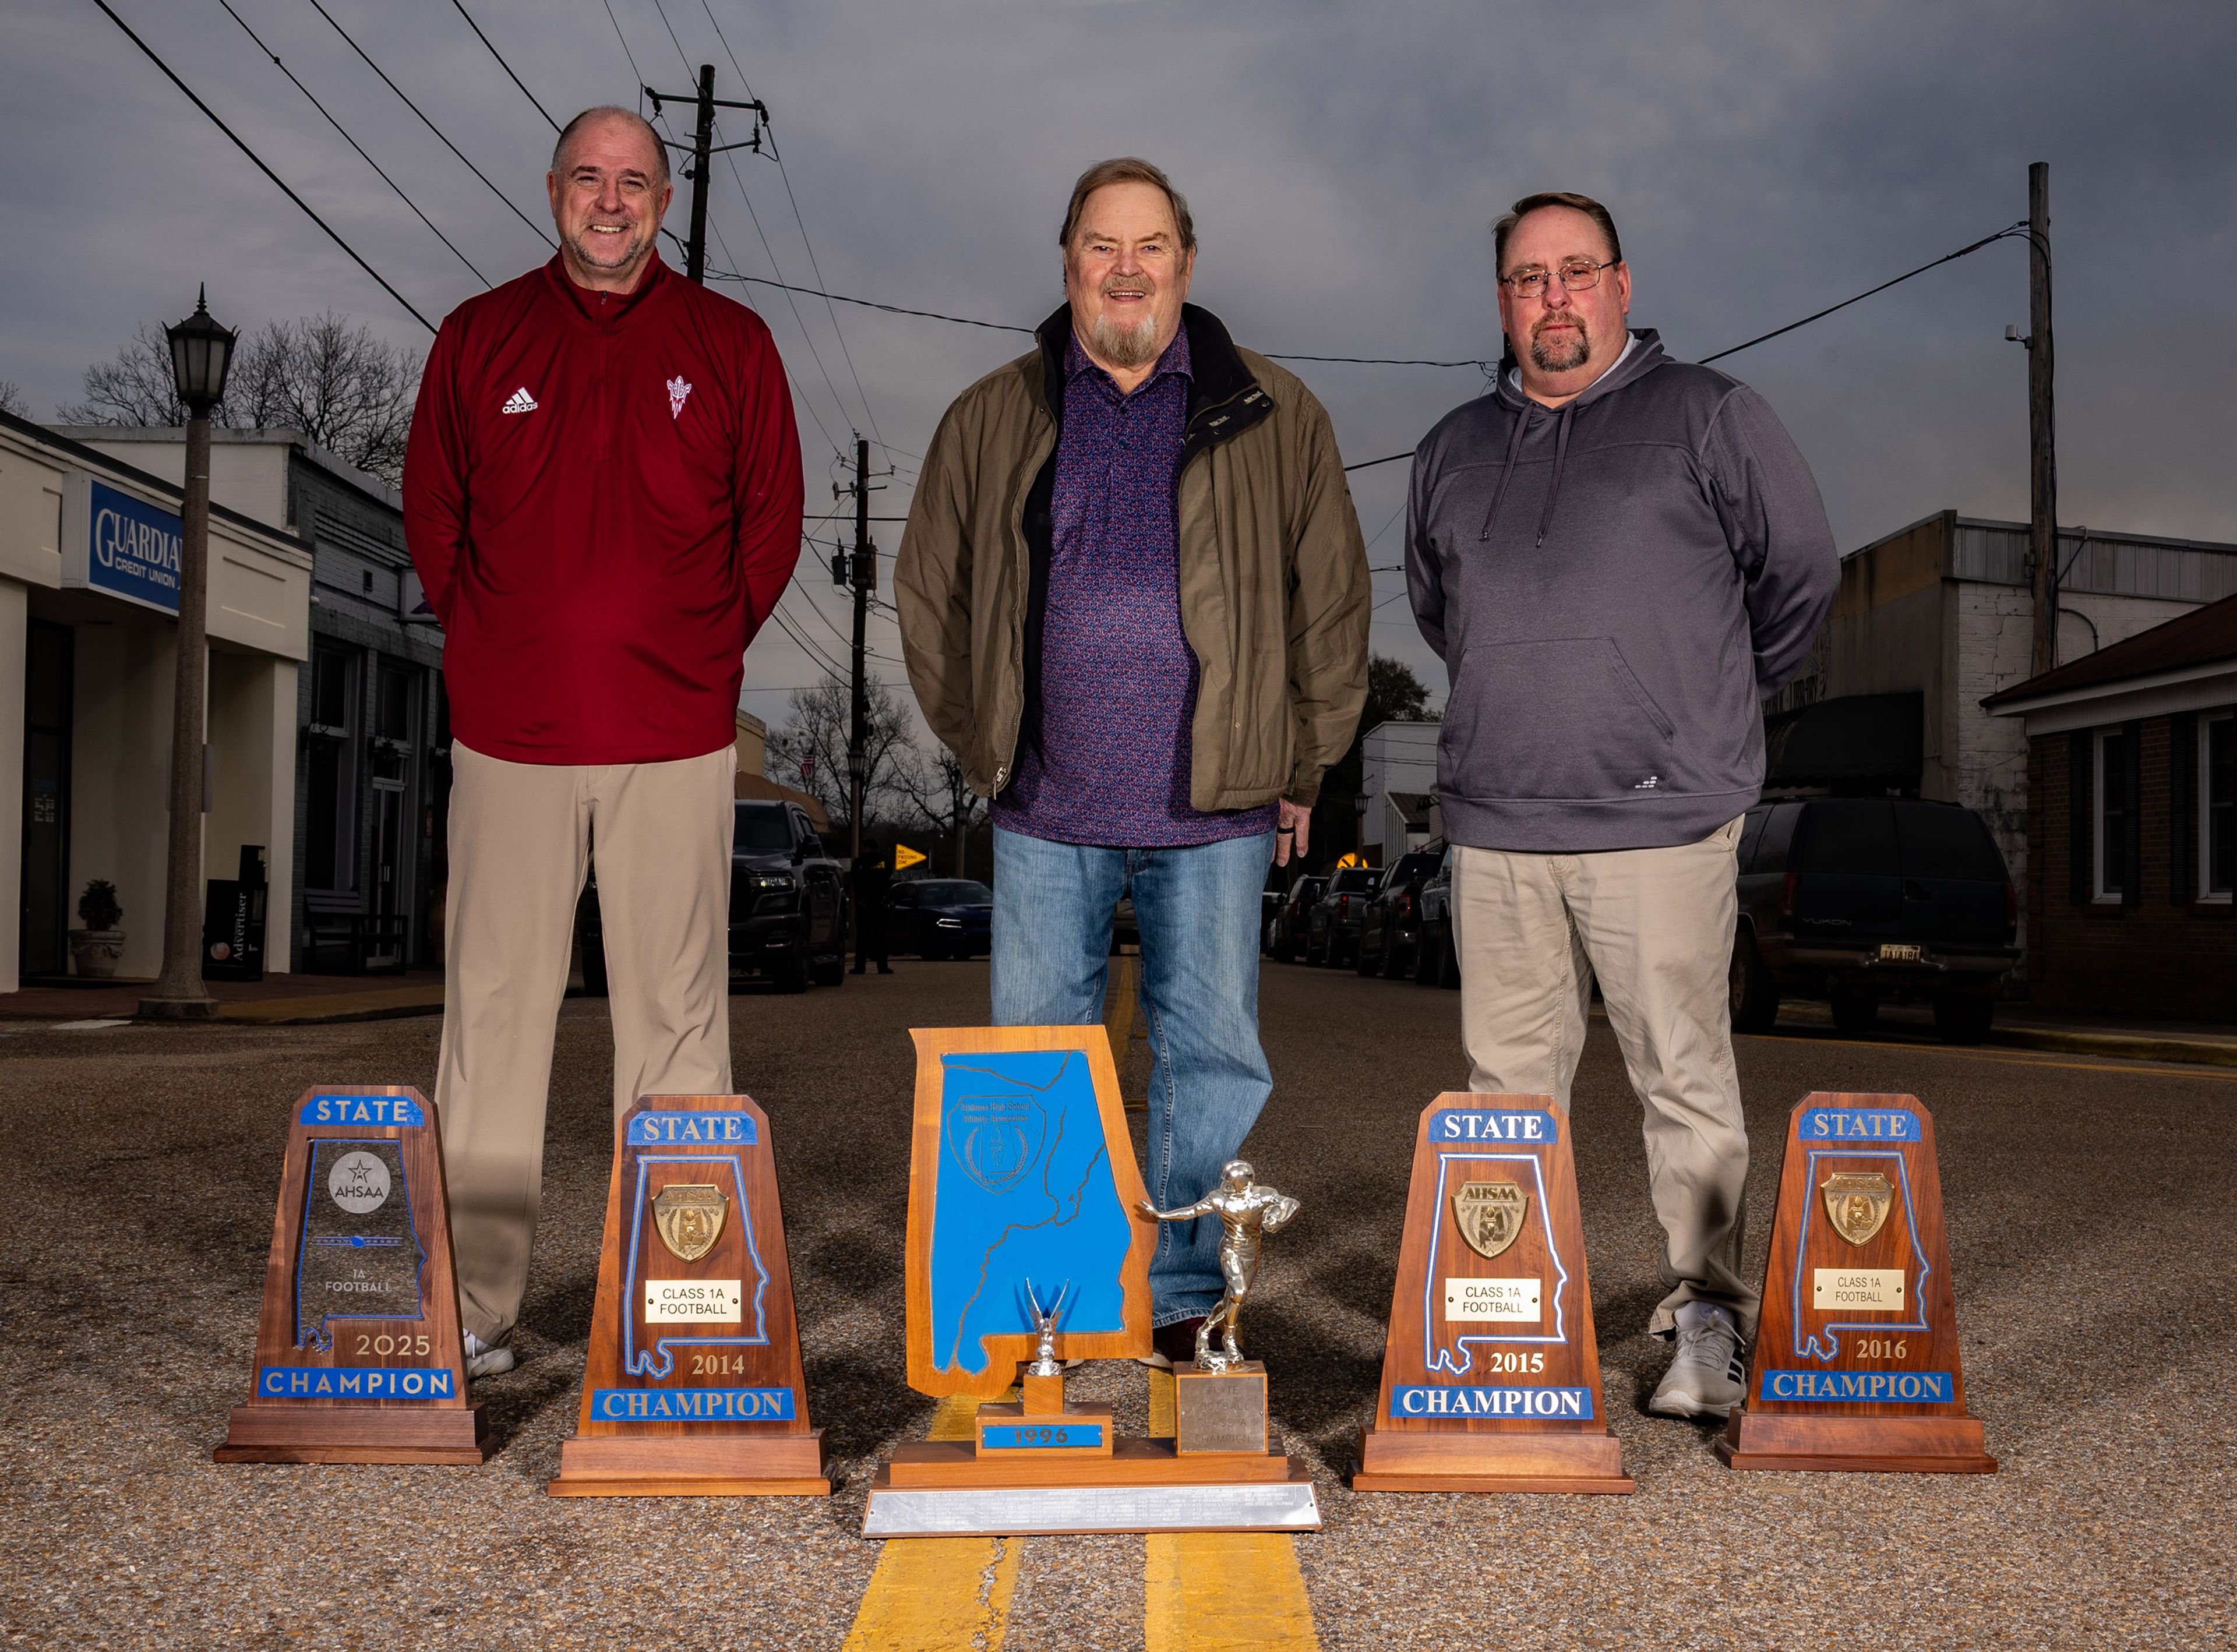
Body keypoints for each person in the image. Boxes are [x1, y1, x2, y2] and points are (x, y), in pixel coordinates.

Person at [898, 157, 1368, 1366]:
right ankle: (1039, 1296)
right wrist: (982, 738)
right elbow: (931, 591)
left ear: (1187, 264)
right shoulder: (994, 413)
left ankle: (1178, 1297)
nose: (1125, 269)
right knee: (1037, 1058)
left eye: (1149, 246)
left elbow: (1332, 605)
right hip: (1048, 805)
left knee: (1208, 1059)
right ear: (1068, 264)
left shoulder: (1277, 412)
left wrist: (1303, 763)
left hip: (1214, 807)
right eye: (1102, 246)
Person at [1403, 191, 1837, 1419]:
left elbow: (1799, 576)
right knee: (1506, 1092)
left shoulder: (1710, 416)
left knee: (1684, 1080)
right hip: (1496, 820)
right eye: (1529, 276)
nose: (1555, 296)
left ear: (1622, 285)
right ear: (1503, 298)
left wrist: (1701, 699)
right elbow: (1444, 609)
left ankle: (1706, 1319)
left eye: (1576, 271)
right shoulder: (1447, 447)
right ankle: (1513, 1324)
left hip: (1662, 818)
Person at [403, 107, 803, 1378]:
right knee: (495, 1020)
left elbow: (772, 525)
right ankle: (470, 1310)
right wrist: (499, 643)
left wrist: (696, 649)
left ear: (667, 198)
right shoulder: (478, 335)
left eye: (634, 181)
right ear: (554, 190)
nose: (612, 200)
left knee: (678, 1027)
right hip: (512, 736)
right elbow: (433, 517)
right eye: (590, 178)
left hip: (675, 735)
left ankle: (676, 1312)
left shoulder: (731, 344)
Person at [851, 836, 893, 975]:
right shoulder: (885, 861)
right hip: (881, 902)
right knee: (881, 936)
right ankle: (882, 966)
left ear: (866, 848)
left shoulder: (860, 862)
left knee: (863, 937)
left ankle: (860, 966)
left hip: (864, 903)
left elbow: (854, 879)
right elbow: (888, 876)